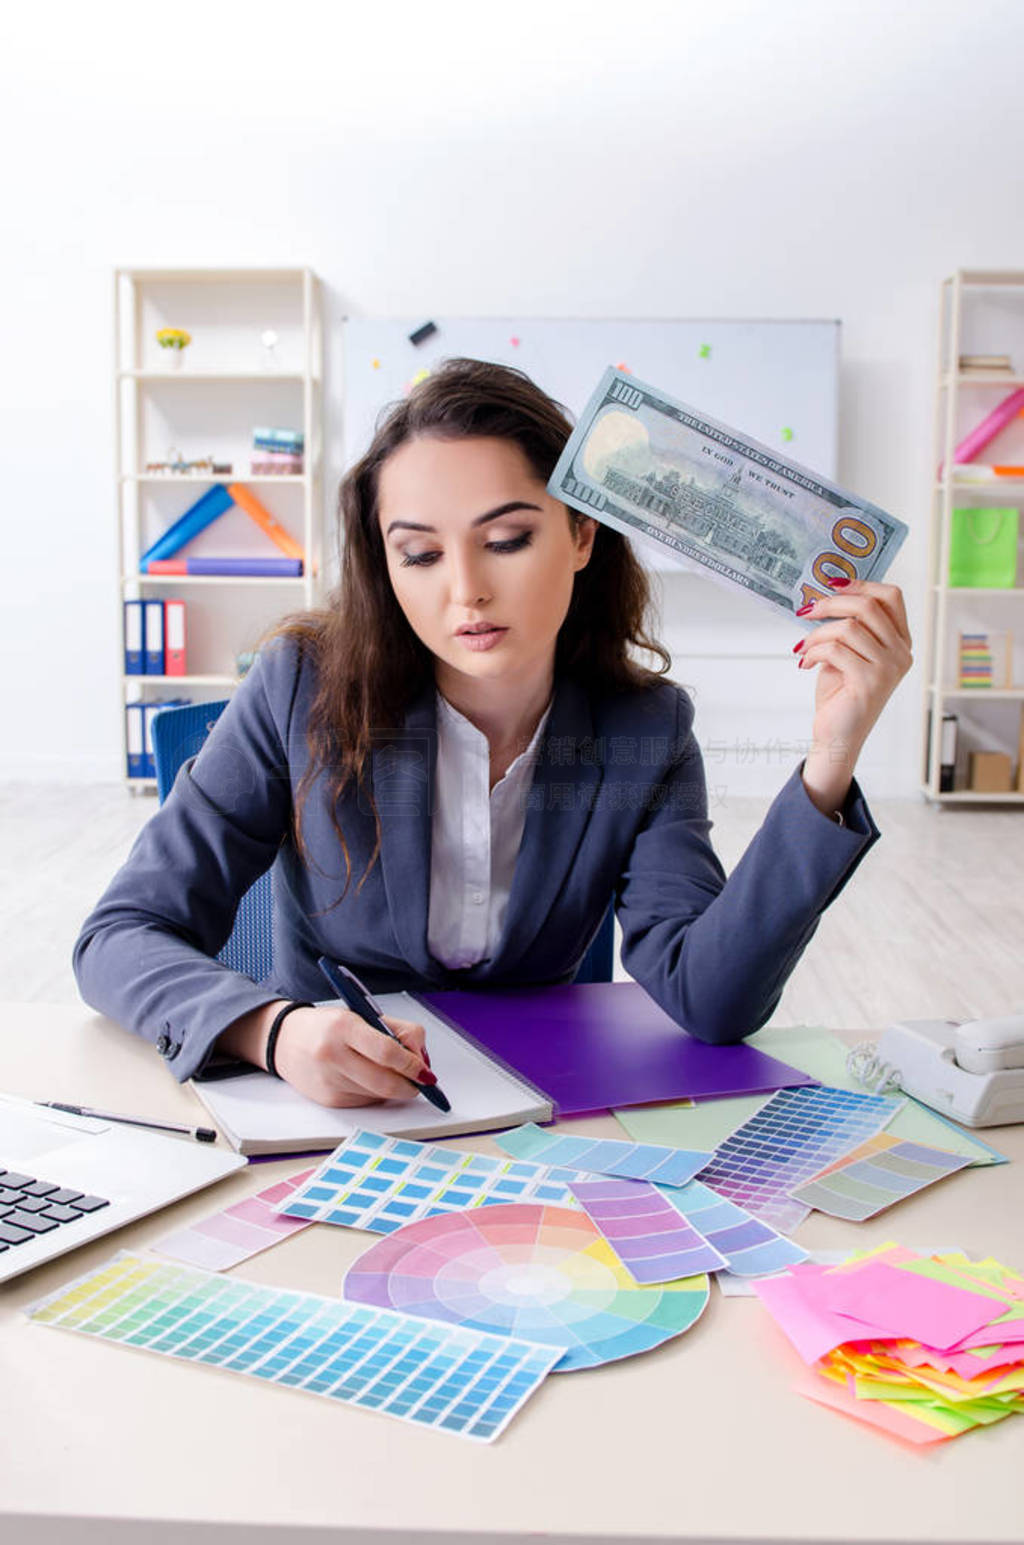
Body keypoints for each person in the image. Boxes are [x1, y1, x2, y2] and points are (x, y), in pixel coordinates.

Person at [73, 359, 913, 1108]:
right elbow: (119, 934)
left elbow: (712, 998)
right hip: (324, 1114)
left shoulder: (644, 731)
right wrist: (275, 1030)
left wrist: (830, 758)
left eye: (506, 539)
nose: (466, 590)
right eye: (420, 554)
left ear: (581, 535)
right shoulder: (303, 686)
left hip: (540, 1119)